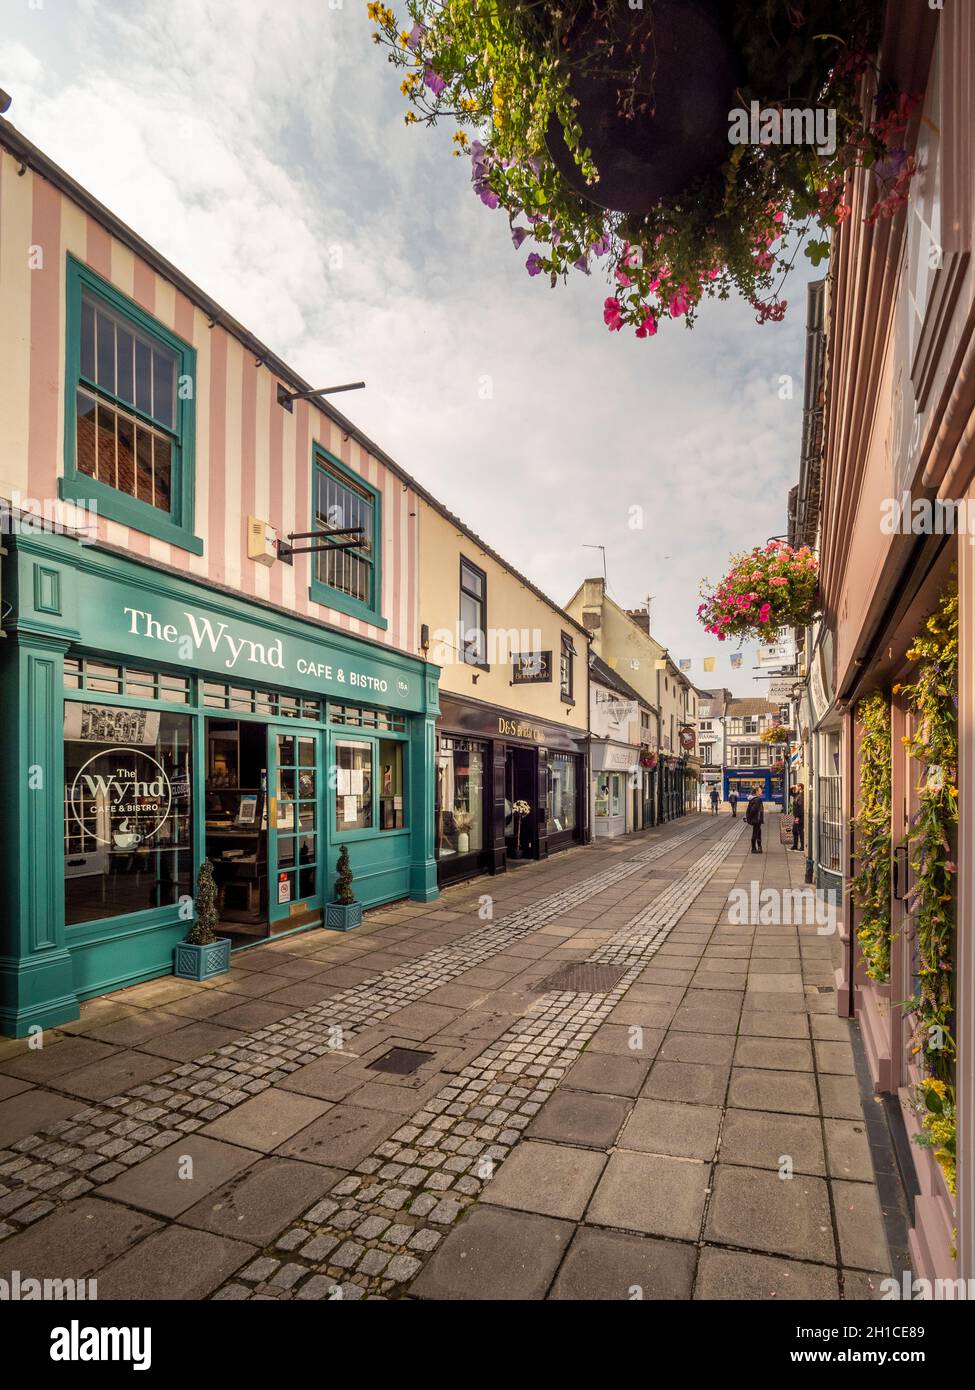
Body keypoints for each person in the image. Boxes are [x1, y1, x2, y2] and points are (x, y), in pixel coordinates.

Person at [791, 783, 805, 852]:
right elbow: (791, 793)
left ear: (800, 787)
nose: (795, 788)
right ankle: (795, 846)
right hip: (797, 816)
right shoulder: (797, 795)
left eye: (797, 787)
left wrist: (797, 817)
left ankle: (802, 847)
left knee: (800, 831)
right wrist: (792, 787)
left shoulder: (801, 796)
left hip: (799, 817)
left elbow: (800, 807)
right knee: (794, 831)